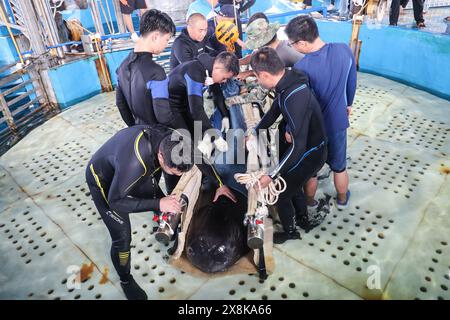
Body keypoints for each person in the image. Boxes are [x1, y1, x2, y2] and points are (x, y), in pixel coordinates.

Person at [85, 125, 192, 300]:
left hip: (126, 168)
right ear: (160, 156)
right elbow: (116, 202)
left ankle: (166, 226)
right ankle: (126, 280)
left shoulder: (174, 139)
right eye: (174, 171)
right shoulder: (135, 165)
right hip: (103, 180)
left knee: (159, 198)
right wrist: (159, 203)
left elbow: (197, 160)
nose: (177, 175)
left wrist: (220, 184)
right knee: (123, 236)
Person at [249, 47, 327, 244]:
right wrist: (255, 131)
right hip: (308, 147)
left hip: (312, 152)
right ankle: (303, 219)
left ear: (265, 74)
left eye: (258, 77)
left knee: (282, 192)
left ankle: (291, 232)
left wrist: (271, 175)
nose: (258, 81)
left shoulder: (295, 97)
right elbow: (275, 110)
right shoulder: (288, 80)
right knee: (294, 186)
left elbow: (297, 148)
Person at [285, 15, 356, 210]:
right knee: (339, 167)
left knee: (311, 172)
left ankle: (310, 202)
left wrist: (289, 128)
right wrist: (348, 104)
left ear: (302, 43)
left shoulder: (301, 67)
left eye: (292, 44)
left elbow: (298, 105)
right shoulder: (344, 50)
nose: (292, 48)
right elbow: (351, 82)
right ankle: (342, 199)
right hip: (338, 124)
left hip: (314, 129)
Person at [162, 52, 239, 147]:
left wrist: (225, 116)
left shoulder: (211, 67)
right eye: (224, 78)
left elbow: (217, 92)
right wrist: (215, 137)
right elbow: (196, 110)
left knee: (199, 135)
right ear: (217, 68)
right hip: (169, 107)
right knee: (188, 143)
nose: (224, 81)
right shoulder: (195, 72)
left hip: (184, 103)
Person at [115, 9, 175, 127]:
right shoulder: (156, 72)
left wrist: (135, 128)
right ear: (155, 37)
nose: (166, 44)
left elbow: (121, 104)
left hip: (138, 133)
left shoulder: (121, 67)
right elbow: (163, 117)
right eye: (167, 40)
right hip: (157, 136)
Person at [238, 14, 304, 80]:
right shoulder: (280, 44)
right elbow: (256, 55)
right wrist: (238, 62)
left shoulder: (281, 54)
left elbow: (267, 72)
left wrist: (247, 73)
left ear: (262, 45)